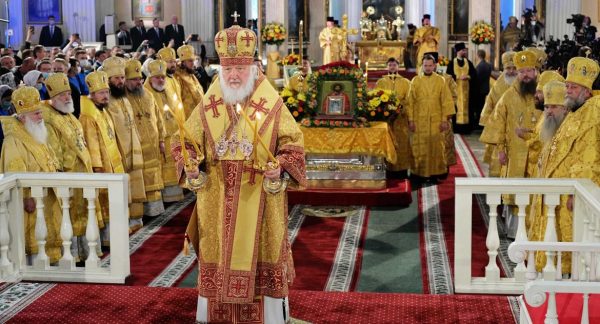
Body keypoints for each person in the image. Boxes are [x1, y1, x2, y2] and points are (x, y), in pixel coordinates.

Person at [173, 23, 307, 324]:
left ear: (253, 67)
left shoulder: (270, 102)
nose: (233, 76)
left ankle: (270, 319)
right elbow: (183, 141)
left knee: (261, 256)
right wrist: (192, 165)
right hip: (216, 199)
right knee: (218, 254)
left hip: (260, 197)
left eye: (240, 69)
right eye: (228, 69)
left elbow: (293, 143)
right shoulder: (210, 103)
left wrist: (281, 168)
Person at [529, 57, 600, 274]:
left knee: (570, 244)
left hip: (573, 192)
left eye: (573, 87)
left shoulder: (593, 111)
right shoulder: (574, 112)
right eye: (567, 85)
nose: (567, 90)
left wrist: (578, 190)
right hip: (556, 191)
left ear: (586, 91)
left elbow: (589, 156)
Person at [40, 73, 101, 261]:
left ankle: (85, 252)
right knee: (71, 215)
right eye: (62, 95)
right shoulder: (49, 120)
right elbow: (53, 151)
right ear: (52, 97)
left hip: (83, 174)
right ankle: (72, 254)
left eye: (68, 93)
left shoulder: (70, 115)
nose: (67, 98)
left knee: (84, 213)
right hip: (68, 176)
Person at [482, 50, 541, 238]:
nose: (525, 75)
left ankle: (535, 230)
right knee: (514, 191)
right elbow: (497, 123)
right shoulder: (507, 96)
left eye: (529, 71)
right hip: (514, 152)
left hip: (538, 153)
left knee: (536, 191)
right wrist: (500, 149)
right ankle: (514, 231)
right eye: (521, 71)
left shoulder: (542, 96)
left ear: (535, 71)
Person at [0, 86, 62, 263]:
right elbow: (14, 171)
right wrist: (26, 197)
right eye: (35, 114)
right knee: (33, 234)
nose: (40, 117)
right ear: (22, 117)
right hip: (30, 199)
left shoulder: (35, 131)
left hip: (47, 193)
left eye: (40, 112)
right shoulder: (13, 141)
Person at [100, 57, 146, 230]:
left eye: (122, 78)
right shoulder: (106, 102)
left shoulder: (125, 99)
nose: (120, 81)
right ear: (108, 80)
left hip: (134, 149)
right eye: (116, 78)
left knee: (135, 185)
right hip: (119, 153)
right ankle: (122, 222)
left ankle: (135, 219)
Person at [79, 71, 125, 244]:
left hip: (112, 162)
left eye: (107, 92)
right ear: (92, 95)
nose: (106, 96)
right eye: (101, 93)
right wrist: (98, 167)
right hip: (102, 168)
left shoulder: (103, 111)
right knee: (105, 204)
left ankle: (115, 236)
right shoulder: (87, 116)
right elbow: (91, 144)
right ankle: (106, 240)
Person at [124, 59, 166, 218]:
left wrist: (161, 139)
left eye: (140, 79)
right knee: (140, 182)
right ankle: (143, 215)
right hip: (137, 148)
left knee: (154, 178)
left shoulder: (147, 94)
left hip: (153, 146)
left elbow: (159, 118)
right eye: (134, 80)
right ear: (126, 81)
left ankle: (154, 210)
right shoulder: (123, 99)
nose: (138, 82)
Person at [407, 54, 455, 182]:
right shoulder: (415, 81)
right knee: (419, 147)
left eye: (430, 65)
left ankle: (436, 173)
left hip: (436, 120)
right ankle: (419, 173)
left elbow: (446, 102)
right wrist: (411, 120)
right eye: (425, 65)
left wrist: (445, 120)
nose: (427, 68)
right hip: (419, 120)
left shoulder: (440, 80)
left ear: (434, 66)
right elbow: (410, 102)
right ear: (422, 66)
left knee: (437, 147)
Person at [143, 59, 184, 203]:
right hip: (159, 139)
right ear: (150, 77)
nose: (161, 80)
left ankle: (173, 196)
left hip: (173, 136)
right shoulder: (146, 93)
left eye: (162, 77)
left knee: (173, 167)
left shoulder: (167, 89)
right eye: (157, 77)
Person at [479, 51, 517, 177]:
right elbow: (489, 103)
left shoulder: (523, 84)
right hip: (499, 130)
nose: (511, 71)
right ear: (503, 68)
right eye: (508, 68)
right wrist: (488, 124)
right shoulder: (497, 85)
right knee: (497, 164)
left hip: (517, 131)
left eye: (514, 68)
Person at [376, 57, 411, 178]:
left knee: (402, 143)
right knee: (388, 142)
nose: (392, 67)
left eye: (394, 65)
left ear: (398, 66)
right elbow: (376, 99)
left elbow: (409, 100)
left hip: (401, 118)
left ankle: (402, 170)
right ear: (387, 67)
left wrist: (402, 110)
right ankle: (388, 169)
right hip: (387, 119)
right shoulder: (381, 82)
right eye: (390, 65)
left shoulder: (406, 82)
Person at [446, 42, 477, 133]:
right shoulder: (452, 63)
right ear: (459, 51)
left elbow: (474, 74)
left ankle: (467, 129)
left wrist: (467, 76)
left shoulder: (468, 62)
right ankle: (457, 128)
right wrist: (458, 77)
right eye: (463, 50)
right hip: (456, 91)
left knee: (468, 109)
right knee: (456, 108)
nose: (465, 52)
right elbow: (448, 76)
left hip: (467, 91)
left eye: (465, 50)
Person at [174, 45, 204, 118]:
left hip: (199, 114)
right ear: (183, 62)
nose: (193, 63)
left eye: (193, 60)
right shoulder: (177, 77)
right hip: (187, 117)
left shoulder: (191, 74)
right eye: (190, 61)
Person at [475, 49, 492, 129]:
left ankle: (479, 123)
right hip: (485, 88)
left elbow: (477, 78)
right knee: (482, 105)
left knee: (479, 106)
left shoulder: (480, 65)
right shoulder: (488, 65)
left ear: (478, 55)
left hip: (479, 89)